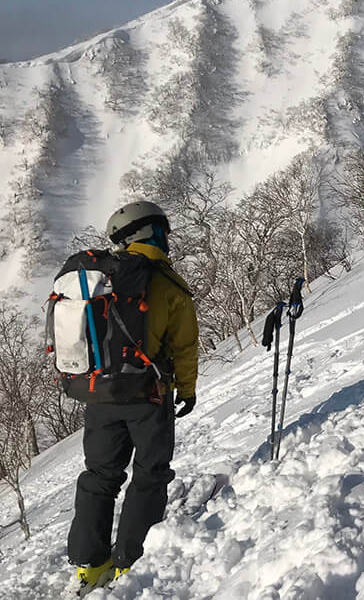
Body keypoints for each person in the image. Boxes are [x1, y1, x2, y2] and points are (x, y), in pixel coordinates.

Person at [68, 201, 199, 592]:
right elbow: (185, 345)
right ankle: (130, 558)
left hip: (100, 395)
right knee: (148, 474)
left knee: (99, 476)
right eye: (163, 231)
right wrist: (187, 391)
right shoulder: (165, 282)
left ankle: (89, 564)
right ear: (151, 233)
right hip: (148, 396)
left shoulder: (99, 279)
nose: (167, 238)